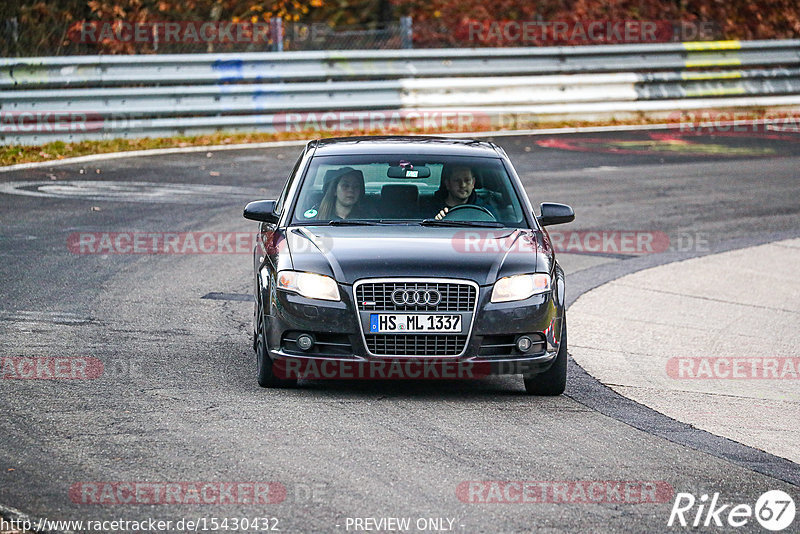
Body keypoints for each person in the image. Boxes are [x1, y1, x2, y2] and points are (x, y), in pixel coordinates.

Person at [429, 164, 498, 220]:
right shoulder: (431, 209)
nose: (463, 185)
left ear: (473, 183)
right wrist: (436, 222)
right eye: (457, 180)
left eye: (467, 180)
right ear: (447, 184)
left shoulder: (485, 210)